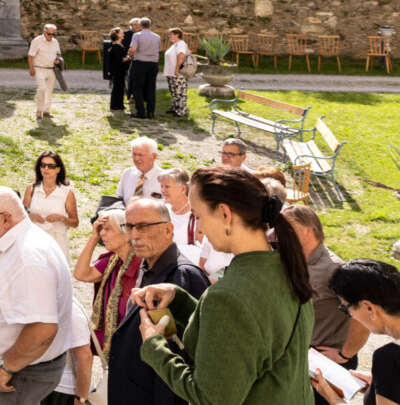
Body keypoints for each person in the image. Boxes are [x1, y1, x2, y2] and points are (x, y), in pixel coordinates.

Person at [134, 165, 314, 405]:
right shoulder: (286, 265)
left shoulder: (230, 296)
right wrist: (180, 301)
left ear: (224, 214)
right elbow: (244, 336)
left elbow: (210, 398)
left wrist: (154, 347)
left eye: (198, 216)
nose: (199, 228)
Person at [0, 187, 74, 404]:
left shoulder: (28, 257)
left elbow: (43, 328)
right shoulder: (12, 242)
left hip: (15, 375)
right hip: (7, 370)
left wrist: (5, 367)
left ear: (6, 219)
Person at [106, 198, 210, 405]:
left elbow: (180, 355)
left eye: (143, 227)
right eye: (129, 226)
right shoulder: (146, 267)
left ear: (167, 230)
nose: (134, 235)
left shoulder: (181, 276)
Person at [280, 206, 372, 404]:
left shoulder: (333, 269)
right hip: (301, 357)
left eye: (287, 227)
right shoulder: (293, 260)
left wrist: (345, 353)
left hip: (325, 361)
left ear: (308, 230)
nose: (280, 233)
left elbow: (364, 317)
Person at [315, 258, 400, 405]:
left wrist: (335, 401)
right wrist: (382, 384)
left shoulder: (389, 359)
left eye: (346, 309)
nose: (351, 316)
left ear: (369, 307)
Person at [73, 207, 140, 359]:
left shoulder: (141, 264)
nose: (102, 233)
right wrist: (93, 238)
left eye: (108, 229)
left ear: (127, 233)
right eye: (101, 229)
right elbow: (81, 274)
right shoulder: (113, 260)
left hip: (131, 344)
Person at [22, 150, 78, 259]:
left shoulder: (67, 193)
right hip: (33, 240)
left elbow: (75, 223)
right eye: (43, 165)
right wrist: (32, 216)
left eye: (51, 166)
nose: (46, 168)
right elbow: (21, 215)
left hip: (57, 242)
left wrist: (61, 218)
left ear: (58, 169)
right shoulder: (32, 189)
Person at [127, 17, 163, 119]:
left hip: (140, 63)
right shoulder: (157, 37)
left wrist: (129, 54)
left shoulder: (137, 35)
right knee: (151, 88)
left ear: (140, 26)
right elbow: (158, 49)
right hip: (153, 64)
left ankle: (141, 112)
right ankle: (151, 112)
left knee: (138, 88)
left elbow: (133, 49)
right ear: (150, 26)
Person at [27, 24, 62, 120]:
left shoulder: (55, 42)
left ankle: (46, 110)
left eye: (53, 34)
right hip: (39, 68)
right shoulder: (36, 41)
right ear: (44, 32)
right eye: (49, 34)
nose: (51, 36)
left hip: (52, 69)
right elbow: (30, 56)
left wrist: (58, 60)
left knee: (49, 90)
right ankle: (39, 110)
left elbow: (58, 54)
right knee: (42, 88)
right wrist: (31, 69)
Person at [160, 167, 198, 253]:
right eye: (161, 186)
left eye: (167, 186)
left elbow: (202, 251)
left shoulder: (196, 215)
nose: (162, 190)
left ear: (183, 189)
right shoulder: (162, 211)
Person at [117, 136, 165, 203]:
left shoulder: (165, 179)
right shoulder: (127, 173)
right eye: (134, 154)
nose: (136, 159)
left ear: (154, 157)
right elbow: (119, 199)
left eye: (140, 155)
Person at [162, 28, 191, 117]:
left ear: (176, 34)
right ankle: (175, 108)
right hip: (171, 73)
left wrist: (177, 69)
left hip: (178, 73)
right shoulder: (175, 44)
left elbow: (181, 56)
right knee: (174, 91)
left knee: (180, 92)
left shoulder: (181, 44)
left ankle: (181, 111)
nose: (169, 36)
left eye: (170, 34)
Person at [106, 28, 129, 112]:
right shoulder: (115, 46)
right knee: (117, 87)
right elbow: (120, 59)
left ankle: (120, 104)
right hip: (117, 69)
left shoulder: (120, 45)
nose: (123, 34)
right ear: (117, 35)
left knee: (121, 86)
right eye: (121, 33)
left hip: (121, 69)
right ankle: (115, 105)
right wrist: (129, 57)